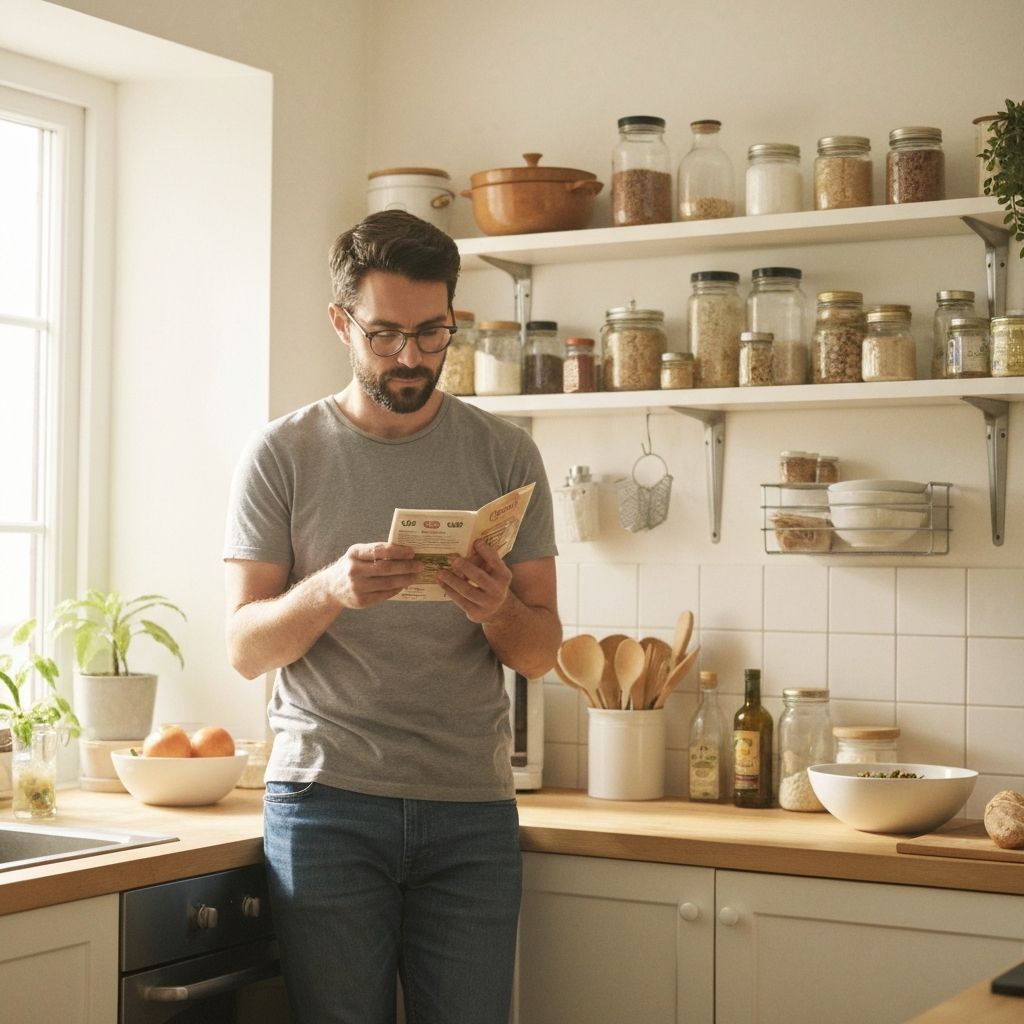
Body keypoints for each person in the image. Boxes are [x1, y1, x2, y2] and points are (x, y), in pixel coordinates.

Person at [222, 209, 561, 1024]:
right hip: (326, 801)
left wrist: (496, 610)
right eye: (384, 336)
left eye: (431, 332)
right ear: (343, 322)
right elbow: (241, 646)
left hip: (470, 807)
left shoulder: (506, 454)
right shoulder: (282, 453)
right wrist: (329, 590)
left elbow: (543, 650)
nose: (410, 357)